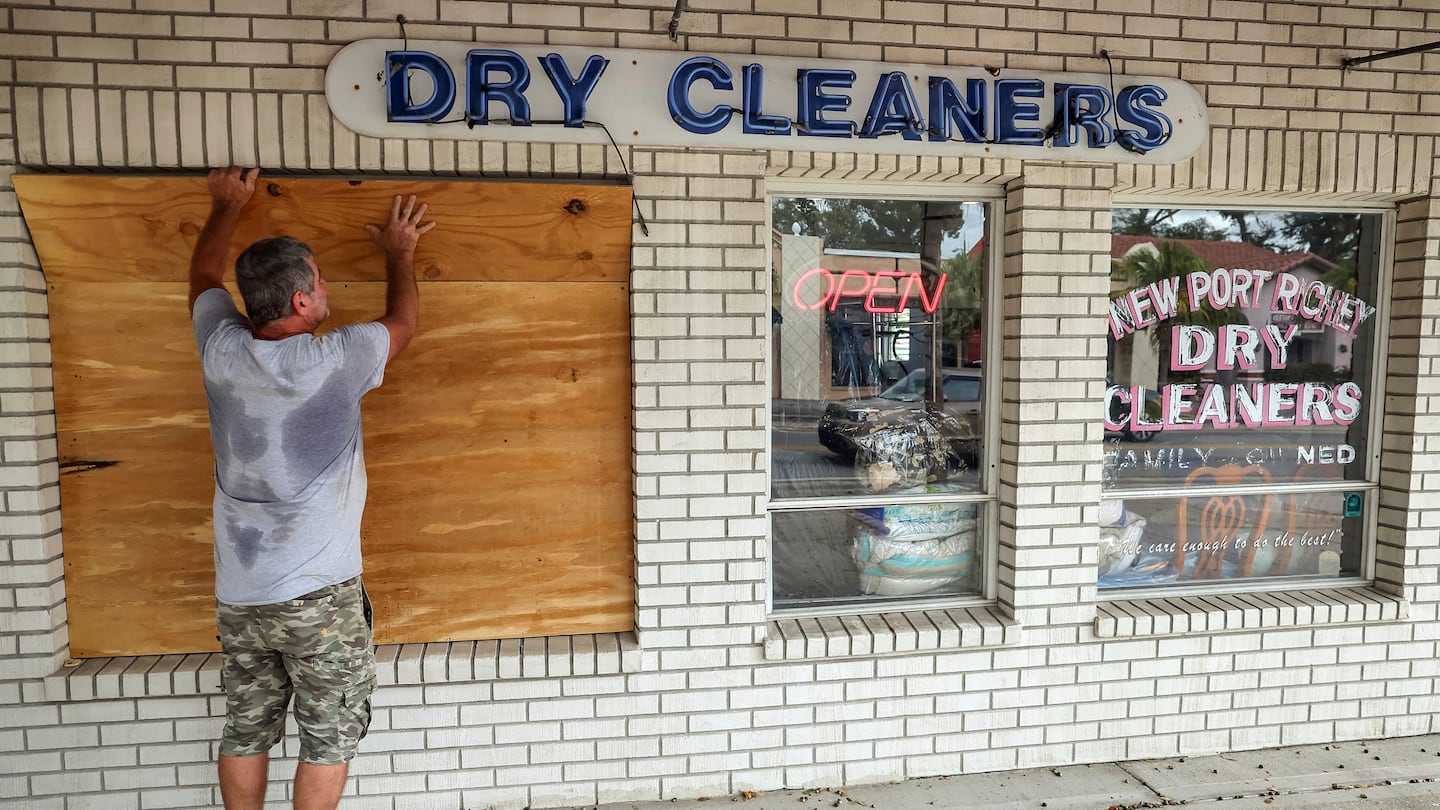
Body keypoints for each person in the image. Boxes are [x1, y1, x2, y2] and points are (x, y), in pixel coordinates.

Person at [188, 166, 435, 810]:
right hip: (319, 598)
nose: (325, 289)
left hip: (240, 596)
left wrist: (226, 206)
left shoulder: (220, 348)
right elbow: (404, 320)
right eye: (320, 280)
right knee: (328, 737)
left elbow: (202, 278)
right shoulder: (334, 357)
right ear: (303, 302)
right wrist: (402, 252)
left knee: (247, 726)